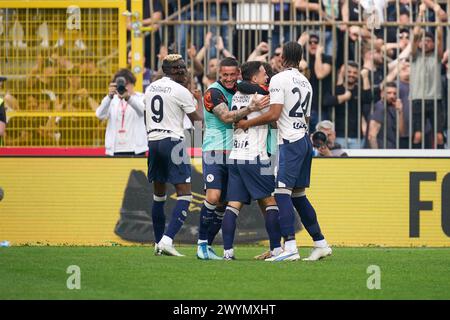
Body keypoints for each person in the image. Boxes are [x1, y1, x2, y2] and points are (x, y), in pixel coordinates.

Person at [237, 42, 332, 262]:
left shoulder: (279, 79)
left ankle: (289, 247)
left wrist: (247, 124)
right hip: (304, 140)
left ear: (281, 58)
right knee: (298, 196)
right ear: (299, 58)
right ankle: (321, 243)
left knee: (281, 193)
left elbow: (274, 114)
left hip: (290, 142)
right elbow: (304, 118)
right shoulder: (306, 82)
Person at [197, 57, 268, 260]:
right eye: (225, 75)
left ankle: (208, 247)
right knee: (213, 196)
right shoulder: (213, 92)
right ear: (219, 74)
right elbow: (227, 117)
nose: (228, 79)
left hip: (236, 153)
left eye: (232, 75)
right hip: (214, 150)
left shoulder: (241, 88)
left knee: (225, 203)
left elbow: (258, 82)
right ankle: (201, 244)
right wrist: (251, 109)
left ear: (238, 74)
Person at [144, 54, 203, 256]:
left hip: (153, 141)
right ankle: (168, 240)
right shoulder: (180, 91)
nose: (184, 71)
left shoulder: (150, 87)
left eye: (184, 67)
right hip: (173, 142)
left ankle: (158, 242)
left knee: (159, 196)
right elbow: (198, 122)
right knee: (185, 194)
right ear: (171, 70)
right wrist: (199, 101)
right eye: (180, 68)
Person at [221, 61, 278, 260]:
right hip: (254, 157)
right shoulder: (260, 96)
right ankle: (277, 250)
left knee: (233, 204)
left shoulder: (237, 95)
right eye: (263, 74)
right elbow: (275, 117)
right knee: (270, 201)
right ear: (254, 78)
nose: (267, 76)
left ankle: (228, 252)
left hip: (236, 156)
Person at [410, 3, 445, 149]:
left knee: (439, 136)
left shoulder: (437, 56)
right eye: (423, 41)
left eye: (428, 41)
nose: (425, 43)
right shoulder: (415, 56)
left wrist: (437, 14)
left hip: (435, 99)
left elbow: (439, 36)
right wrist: (420, 14)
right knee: (417, 135)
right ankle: (415, 159)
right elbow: (416, 34)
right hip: (418, 99)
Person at [95, 69, 148, 156]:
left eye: (126, 84)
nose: (124, 87)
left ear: (132, 83)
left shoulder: (140, 97)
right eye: (120, 84)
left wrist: (128, 98)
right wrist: (109, 97)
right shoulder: (111, 100)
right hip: (114, 149)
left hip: (136, 149)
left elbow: (143, 111)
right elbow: (99, 114)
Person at [367, 82, 405, 149]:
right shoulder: (380, 107)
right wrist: (377, 156)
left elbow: (400, 133)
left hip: (390, 150)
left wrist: (400, 111)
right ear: (382, 94)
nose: (392, 96)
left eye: (394, 93)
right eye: (389, 93)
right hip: (382, 152)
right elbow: (371, 136)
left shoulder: (393, 108)